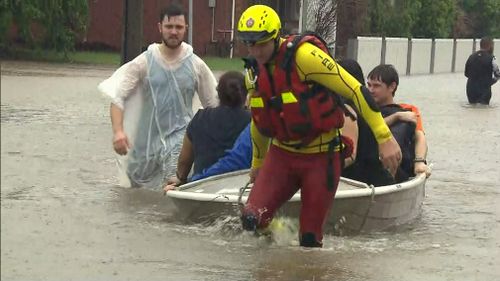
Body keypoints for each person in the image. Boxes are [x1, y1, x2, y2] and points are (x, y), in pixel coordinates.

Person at [236, 5, 401, 247]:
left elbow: (356, 90)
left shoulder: (306, 57)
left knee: (310, 239)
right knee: (251, 218)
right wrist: (257, 163)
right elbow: (259, 122)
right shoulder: (253, 73)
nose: (256, 51)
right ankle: (280, 241)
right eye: (249, 44)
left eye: (261, 43)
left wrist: (384, 137)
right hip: (282, 155)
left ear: (276, 36)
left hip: (321, 158)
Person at [98, 3, 218, 190]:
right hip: (145, 147)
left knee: (173, 191)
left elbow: (212, 105)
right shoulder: (144, 62)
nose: (174, 32)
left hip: (181, 142)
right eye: (169, 27)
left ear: (186, 29)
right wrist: (118, 132)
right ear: (160, 28)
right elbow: (118, 98)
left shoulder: (196, 65)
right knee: (137, 196)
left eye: (178, 27)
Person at [164, 71, 251, 188]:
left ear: (218, 93)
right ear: (246, 95)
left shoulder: (200, 118)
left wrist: (181, 178)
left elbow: (185, 161)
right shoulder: (253, 122)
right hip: (240, 186)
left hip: (202, 186)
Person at [366, 64, 431, 182]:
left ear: (392, 87)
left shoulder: (409, 110)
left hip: (398, 168)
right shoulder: (364, 108)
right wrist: (396, 117)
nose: (370, 90)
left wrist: (419, 162)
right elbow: (367, 129)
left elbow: (420, 137)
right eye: (369, 85)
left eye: (376, 86)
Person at [337, 59, 396, 186]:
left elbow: (349, 157)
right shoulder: (368, 106)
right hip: (374, 178)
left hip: (358, 181)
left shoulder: (346, 110)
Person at [464, 37, 500, 105]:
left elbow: (466, 73)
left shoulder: (471, 56)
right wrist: (490, 82)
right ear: (490, 46)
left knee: (472, 107)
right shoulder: (492, 58)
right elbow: (497, 74)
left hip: (470, 89)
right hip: (484, 90)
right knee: (484, 109)